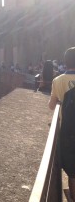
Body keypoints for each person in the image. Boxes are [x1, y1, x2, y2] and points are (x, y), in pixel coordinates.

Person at [51, 47, 75, 194]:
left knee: (72, 171)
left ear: (65, 62)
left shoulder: (57, 80)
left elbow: (51, 106)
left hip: (68, 130)